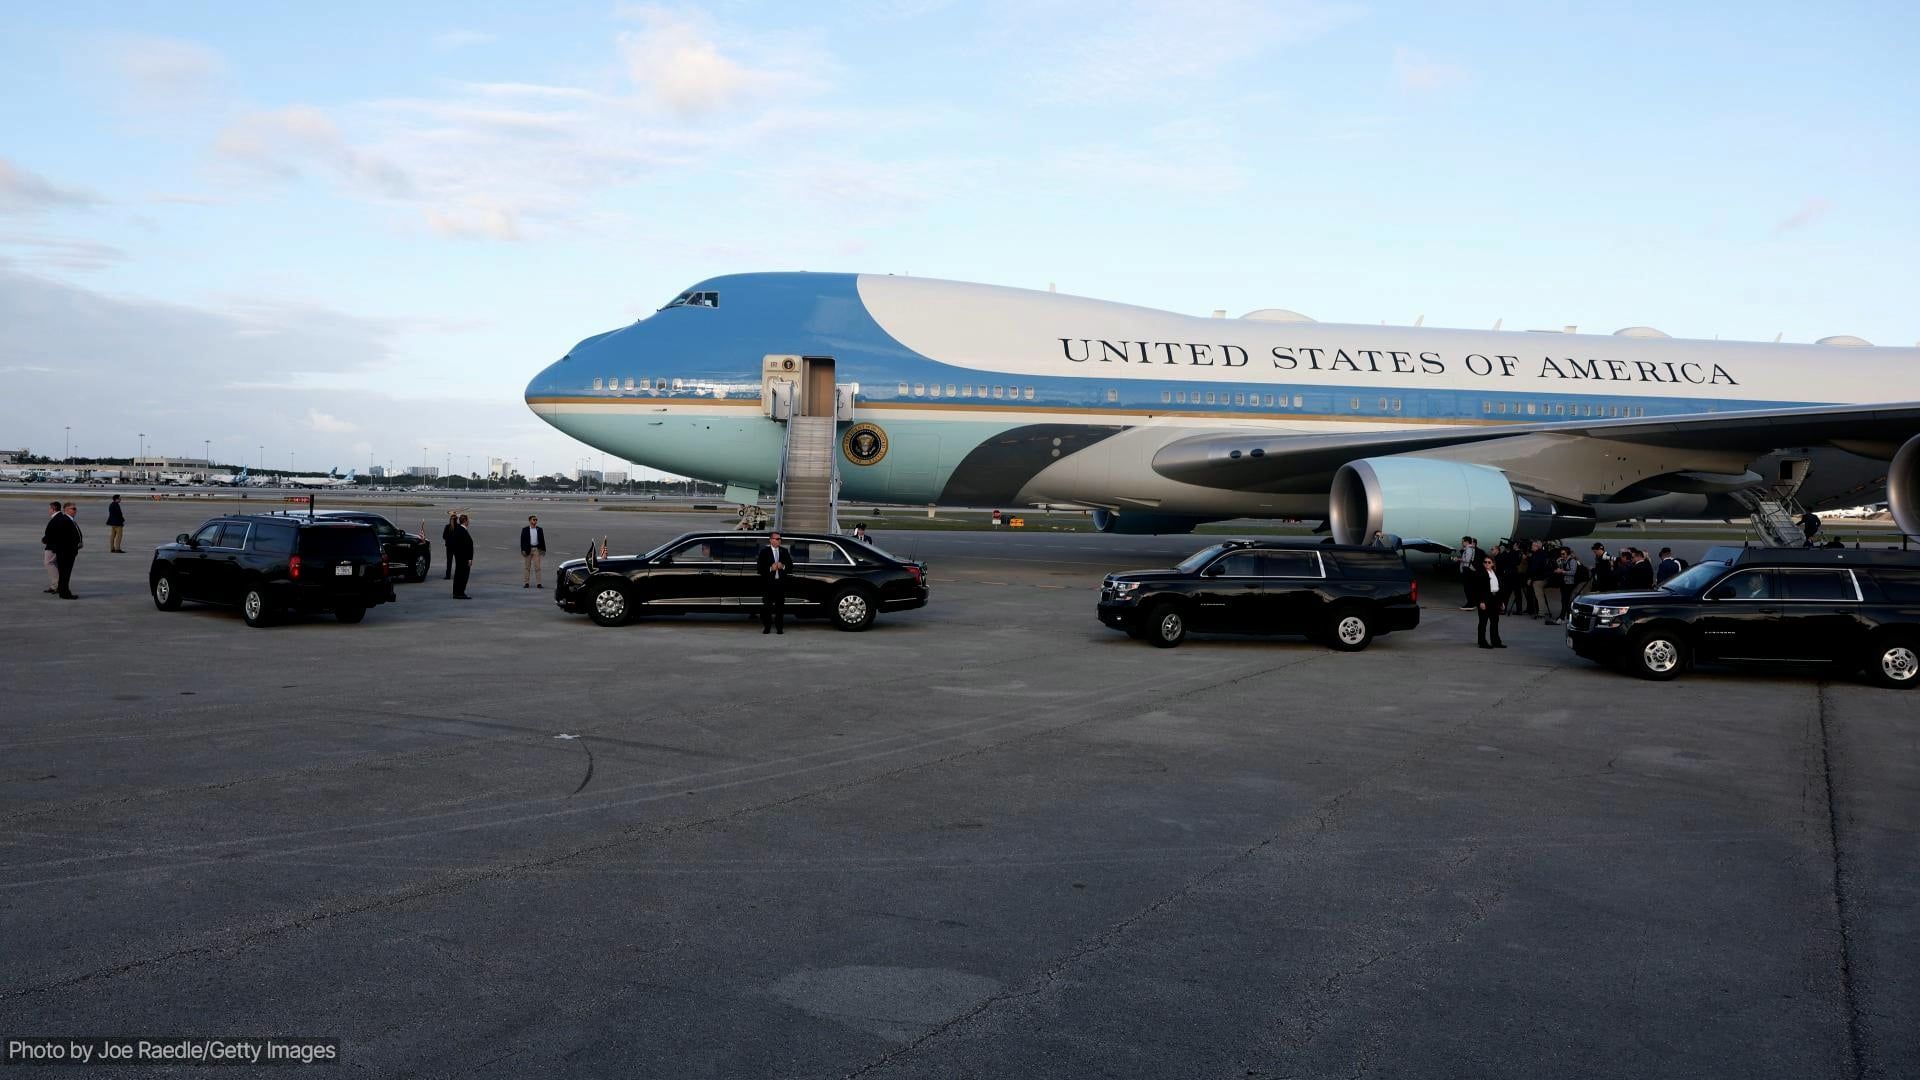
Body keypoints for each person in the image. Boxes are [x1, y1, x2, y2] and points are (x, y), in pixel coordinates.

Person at [756, 531, 794, 634]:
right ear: (771, 540)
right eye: (777, 539)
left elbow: (790, 566)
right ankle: (767, 626)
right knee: (767, 607)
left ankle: (779, 627)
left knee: (780, 608)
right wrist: (770, 568)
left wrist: (783, 566)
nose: (779, 540)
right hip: (768, 584)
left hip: (780, 584)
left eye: (780, 539)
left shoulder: (784, 551)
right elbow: (759, 568)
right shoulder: (764, 552)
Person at [43, 500, 82, 599]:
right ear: (66, 510)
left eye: (75, 509)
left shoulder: (68, 520)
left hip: (67, 551)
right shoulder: (64, 520)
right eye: (73, 509)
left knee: (65, 573)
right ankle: (64, 593)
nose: (75, 511)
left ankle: (62, 591)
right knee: (65, 574)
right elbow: (58, 535)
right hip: (66, 552)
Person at [1465, 553, 1505, 649]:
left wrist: (1501, 602)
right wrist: (1481, 601)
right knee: (1483, 621)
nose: (1486, 564)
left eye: (1489, 562)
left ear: (1493, 564)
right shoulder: (1481, 573)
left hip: (1495, 598)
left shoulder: (1495, 573)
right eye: (1485, 562)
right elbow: (1478, 589)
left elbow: (1498, 588)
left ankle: (1496, 641)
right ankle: (1482, 642)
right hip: (1485, 599)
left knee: (1495, 621)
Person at [449, 513, 475, 599]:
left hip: (460, 557)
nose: (469, 522)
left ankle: (457, 592)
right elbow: (466, 545)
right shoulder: (462, 531)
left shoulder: (459, 529)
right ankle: (460, 593)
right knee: (462, 575)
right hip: (463, 558)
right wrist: (469, 558)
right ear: (465, 521)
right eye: (468, 520)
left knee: (458, 575)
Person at [1550, 547, 1578, 624]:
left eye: (1563, 554)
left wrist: (1562, 571)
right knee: (1563, 600)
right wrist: (1558, 564)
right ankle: (1565, 617)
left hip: (1569, 583)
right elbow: (1559, 568)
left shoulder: (1572, 561)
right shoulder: (1562, 560)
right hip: (1563, 583)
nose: (1562, 555)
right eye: (1561, 554)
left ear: (1567, 553)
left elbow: (1573, 572)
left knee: (1566, 600)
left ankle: (1563, 617)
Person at [519, 514, 547, 589]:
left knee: (537, 567)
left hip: (536, 550)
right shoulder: (525, 529)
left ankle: (539, 583)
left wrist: (543, 550)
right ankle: (526, 583)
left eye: (536, 520)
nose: (535, 521)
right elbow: (522, 541)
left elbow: (542, 540)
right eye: (534, 520)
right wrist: (522, 550)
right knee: (527, 567)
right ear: (530, 521)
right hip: (528, 549)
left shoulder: (539, 529)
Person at [41, 501, 62, 594]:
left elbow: (52, 534)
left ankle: (58, 585)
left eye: (49, 508)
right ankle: (55, 585)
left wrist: (45, 540)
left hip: (53, 546)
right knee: (54, 564)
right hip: (55, 545)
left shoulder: (56, 519)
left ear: (53, 509)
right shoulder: (59, 517)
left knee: (48, 563)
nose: (48, 510)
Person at [1455, 536, 1480, 610]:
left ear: (1466, 542)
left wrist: (1458, 559)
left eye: (1463, 541)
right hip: (1468, 570)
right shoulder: (1469, 548)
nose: (1462, 543)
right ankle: (1472, 603)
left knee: (1467, 588)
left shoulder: (1469, 549)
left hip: (1467, 570)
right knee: (1469, 588)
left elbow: (1467, 560)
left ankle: (1470, 604)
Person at [441, 512, 458, 580]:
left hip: (449, 546)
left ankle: (448, 575)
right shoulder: (458, 527)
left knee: (449, 561)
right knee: (457, 562)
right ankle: (457, 575)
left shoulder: (447, 526)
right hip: (457, 547)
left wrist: (448, 540)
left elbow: (444, 536)